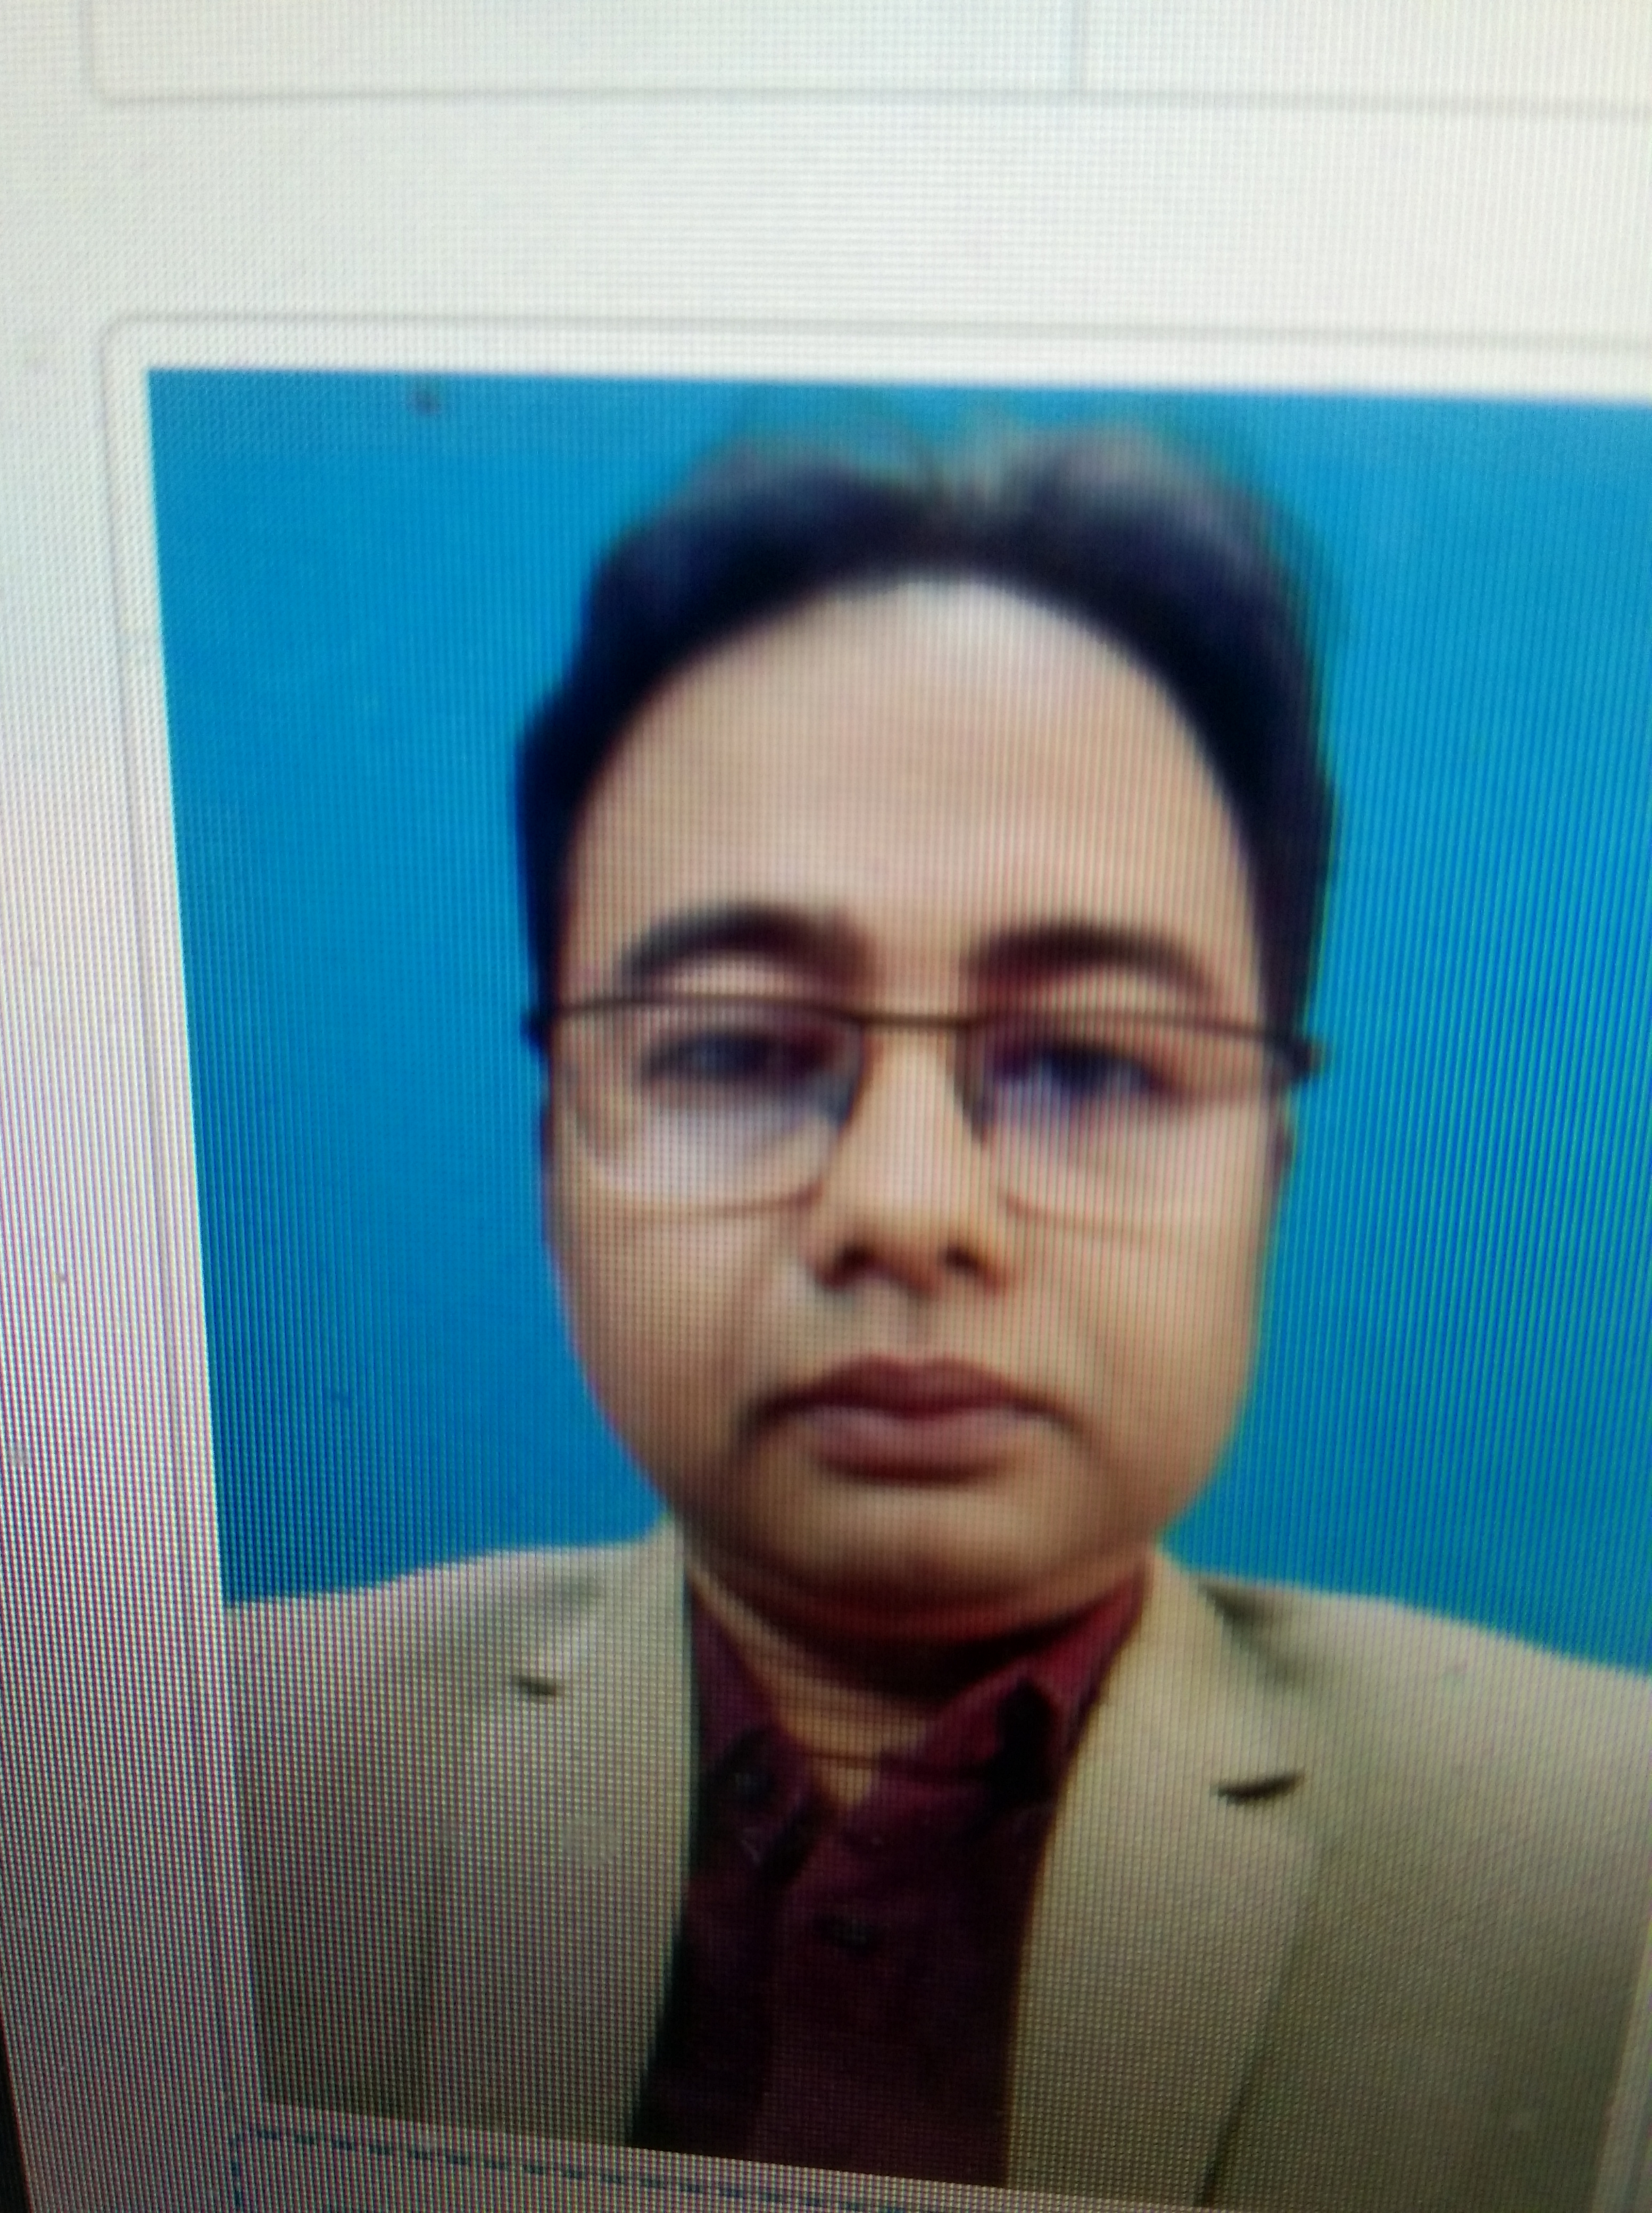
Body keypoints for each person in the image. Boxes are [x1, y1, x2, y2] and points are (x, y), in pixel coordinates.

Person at [228, 429, 1652, 2213]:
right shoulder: (176, 1786)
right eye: (736, 1049)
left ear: (1266, 1180)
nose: (907, 1210)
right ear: (555, 1160)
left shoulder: (1611, 1870)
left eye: (1088, 1064)